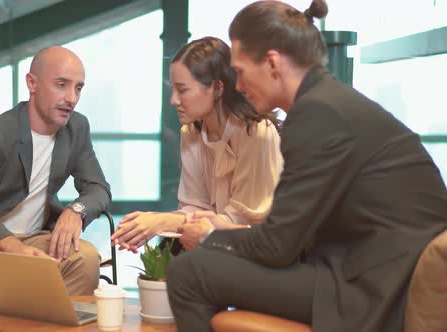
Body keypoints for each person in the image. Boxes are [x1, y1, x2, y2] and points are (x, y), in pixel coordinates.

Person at [167, 1, 447, 332]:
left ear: (272, 63)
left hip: (375, 285)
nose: (237, 86)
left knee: (189, 272)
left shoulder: (317, 114)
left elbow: (277, 246)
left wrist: (211, 234)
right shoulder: (329, 102)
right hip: (369, 265)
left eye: (240, 72)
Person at [0, 46, 111, 332]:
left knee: (85, 258)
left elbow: (98, 187)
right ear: (32, 83)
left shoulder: (77, 128)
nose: (71, 98)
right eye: (61, 85)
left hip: (35, 239)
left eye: (78, 88)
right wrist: (12, 248)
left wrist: (76, 211)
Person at [111, 37, 282, 252]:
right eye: (173, 89)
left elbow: (238, 223)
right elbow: (194, 207)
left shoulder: (257, 134)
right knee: (170, 248)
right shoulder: (191, 132)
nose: (174, 100)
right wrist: (148, 223)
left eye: (182, 90)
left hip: (256, 250)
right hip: (214, 244)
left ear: (217, 88)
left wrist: (160, 222)